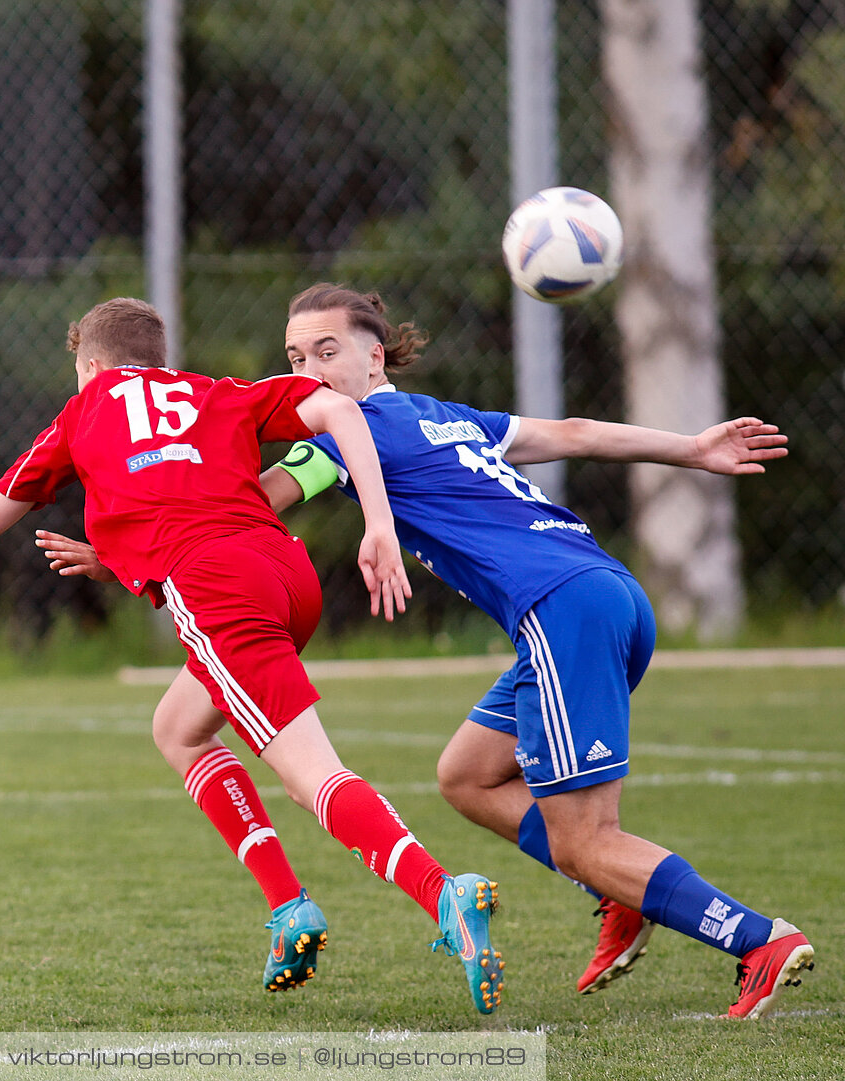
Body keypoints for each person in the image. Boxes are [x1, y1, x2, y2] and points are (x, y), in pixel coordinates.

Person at [42, 282, 812, 1019]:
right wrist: (691, 448)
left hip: (562, 611)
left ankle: (758, 939)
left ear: (375, 356)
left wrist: (113, 550)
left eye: (326, 351)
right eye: (295, 356)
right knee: (467, 776)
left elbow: (240, 505)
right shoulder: (445, 416)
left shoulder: (348, 435)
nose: (307, 372)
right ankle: (621, 891)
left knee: (586, 838)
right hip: (604, 593)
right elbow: (570, 434)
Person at [0, 297, 509, 1015]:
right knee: (178, 725)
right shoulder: (211, 393)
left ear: (94, 366)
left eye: (81, 373)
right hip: (287, 576)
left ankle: (443, 892)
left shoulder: (83, 412)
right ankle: (290, 908)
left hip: (218, 588)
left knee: (310, 776)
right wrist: (377, 523)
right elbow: (343, 414)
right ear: (159, 362)